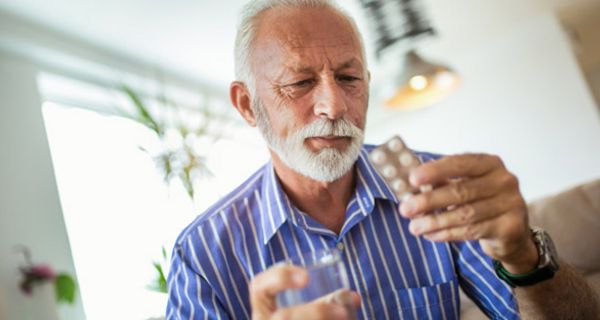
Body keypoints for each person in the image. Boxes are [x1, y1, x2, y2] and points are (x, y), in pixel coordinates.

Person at [166, 0, 599, 319]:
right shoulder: (202, 256)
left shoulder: (437, 190)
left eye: (348, 78)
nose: (333, 106)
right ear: (247, 105)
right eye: (299, 82)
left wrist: (524, 255)